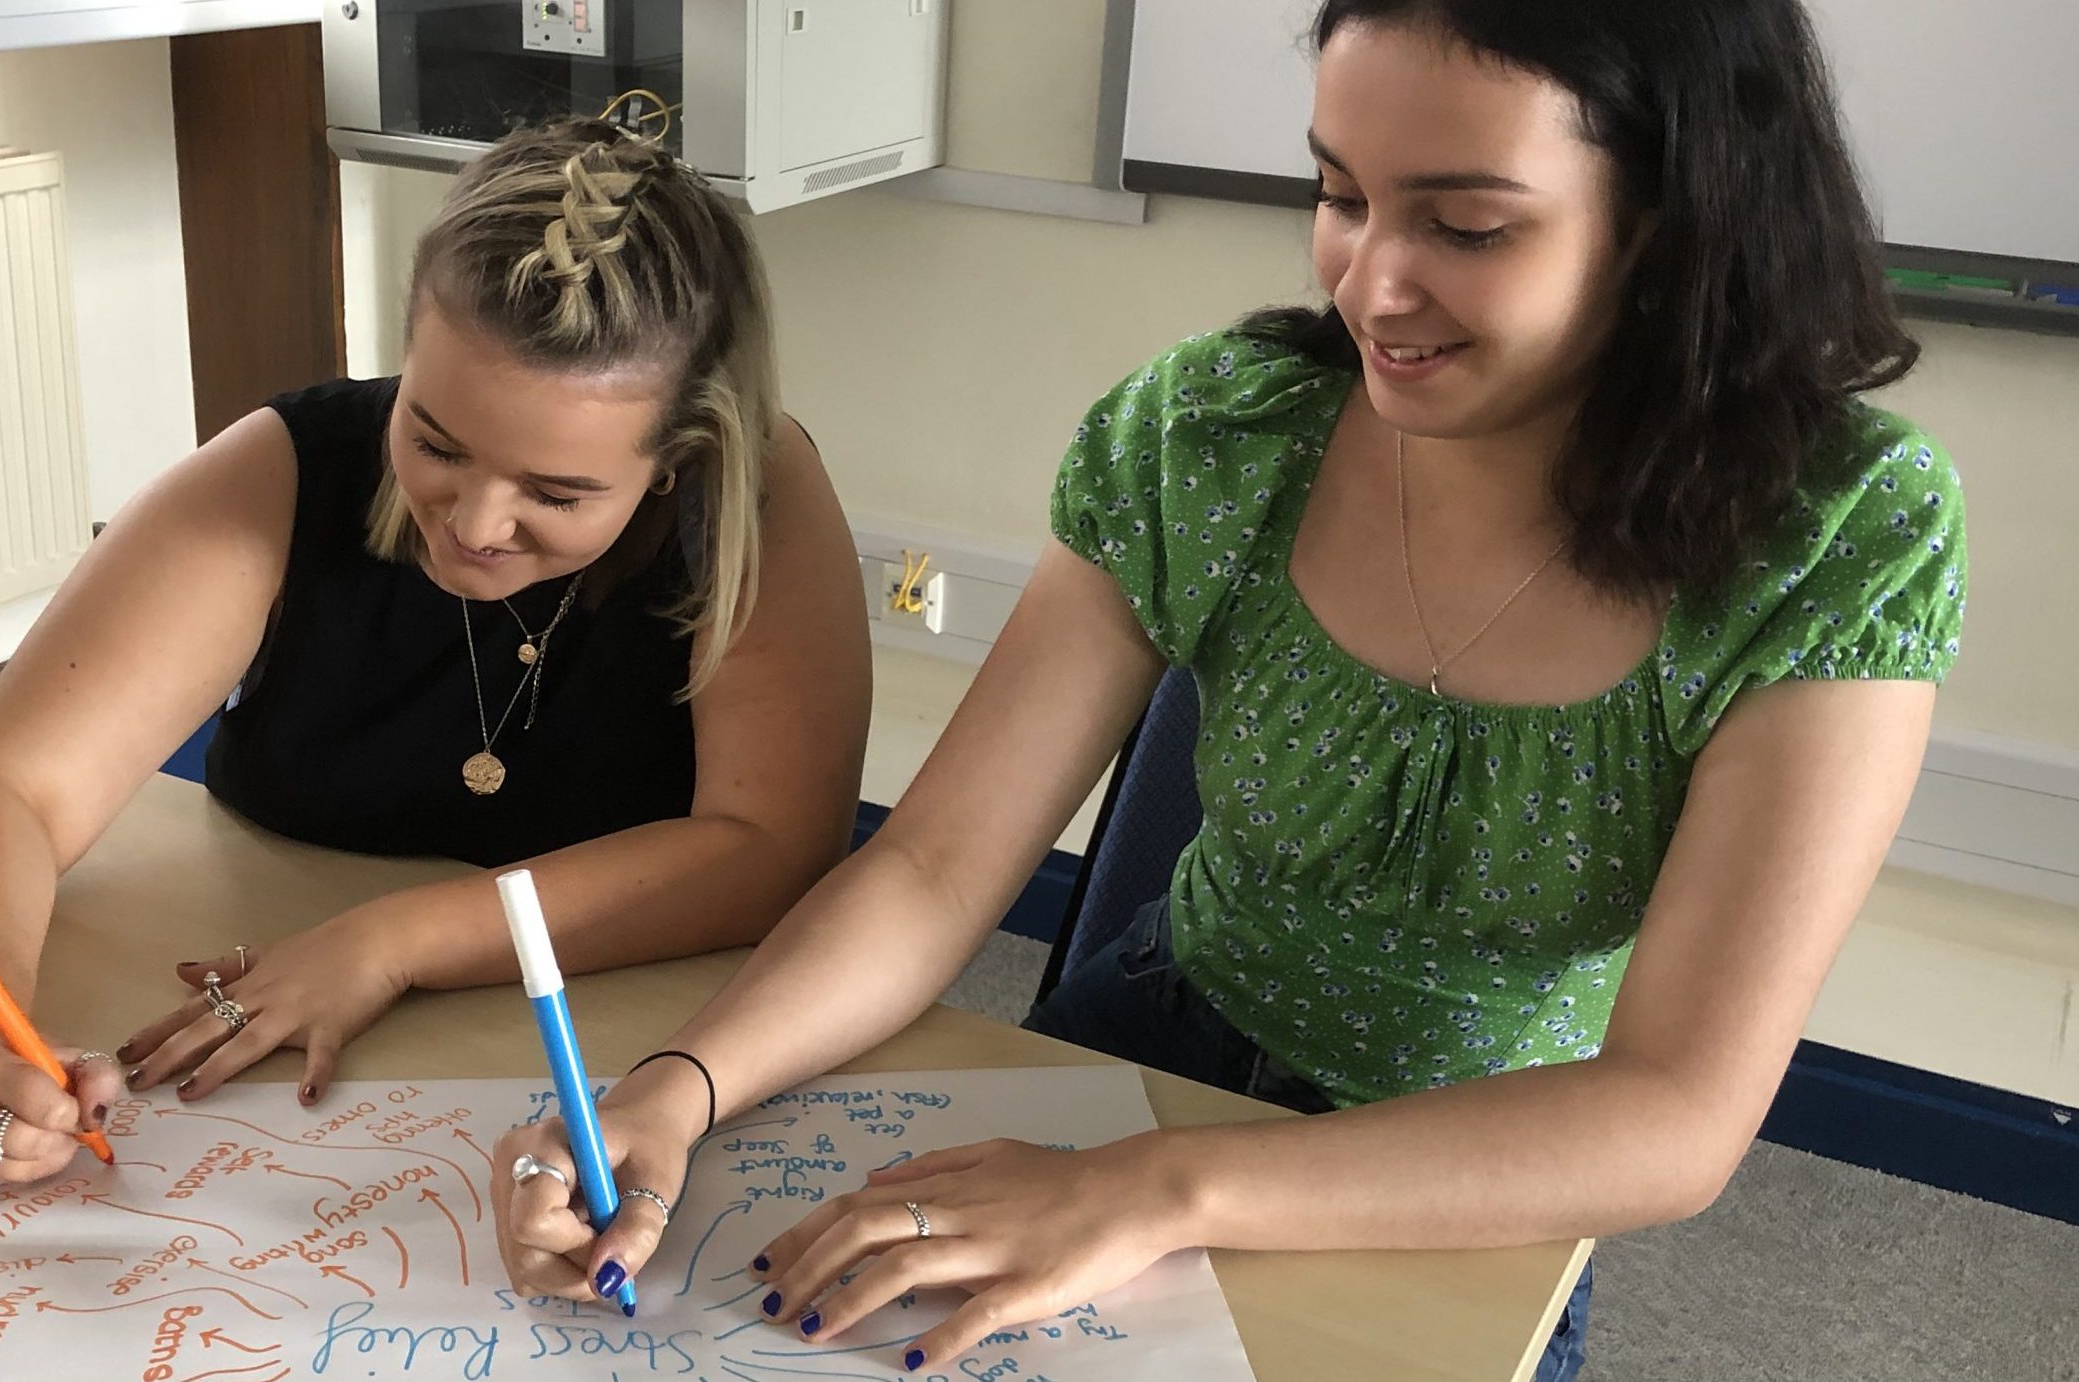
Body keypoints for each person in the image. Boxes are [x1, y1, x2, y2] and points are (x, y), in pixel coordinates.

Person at [488, 5, 1967, 1377]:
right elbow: (939, 864)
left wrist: (1158, 1191)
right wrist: (683, 1083)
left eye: (1465, 223)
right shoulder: (1218, 432)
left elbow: (1670, 1115)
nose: (1370, 282)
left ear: (1670, 224)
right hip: (1144, 1054)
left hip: (1478, 1164)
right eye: (1340, 194)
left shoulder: (1839, 534)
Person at [0, 118, 871, 1191]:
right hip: (272, 1071)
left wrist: (393, 942)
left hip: (619, 1052)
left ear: (678, 456)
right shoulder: (285, 469)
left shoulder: (750, 489)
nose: (477, 523)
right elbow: (4, 783)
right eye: (435, 441)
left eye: (556, 492)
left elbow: (774, 845)